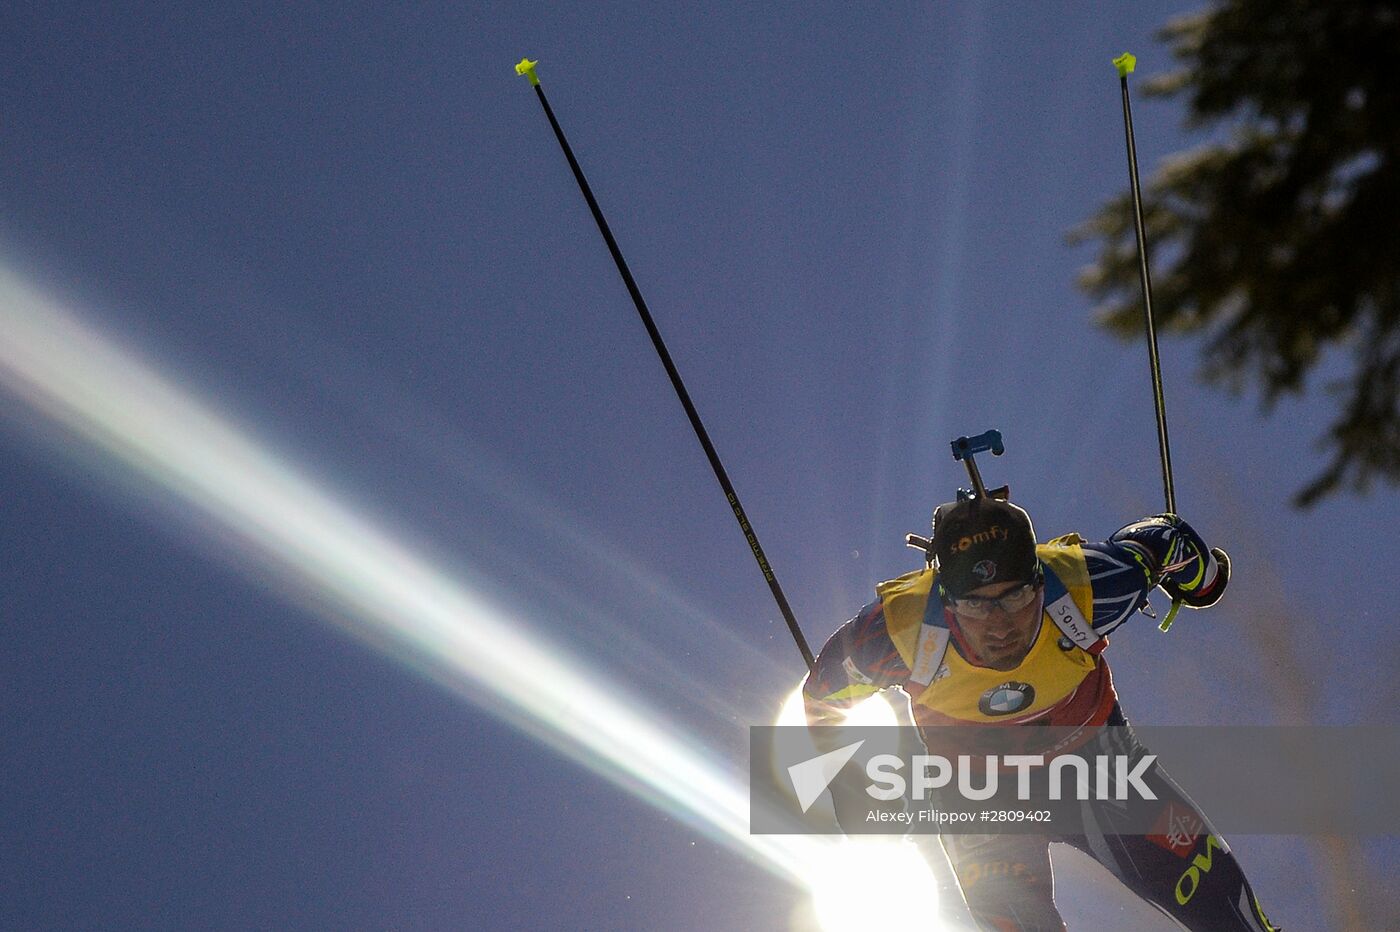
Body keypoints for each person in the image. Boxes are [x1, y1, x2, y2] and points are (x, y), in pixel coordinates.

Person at [803, 494, 1280, 931]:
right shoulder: (896, 630)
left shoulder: (1088, 583)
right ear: (946, 602)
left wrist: (1205, 578)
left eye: (1015, 597)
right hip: (981, 802)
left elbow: (1163, 540)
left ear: (1039, 581)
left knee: (1230, 920)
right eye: (975, 606)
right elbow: (821, 702)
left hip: (1103, 772)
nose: (999, 624)